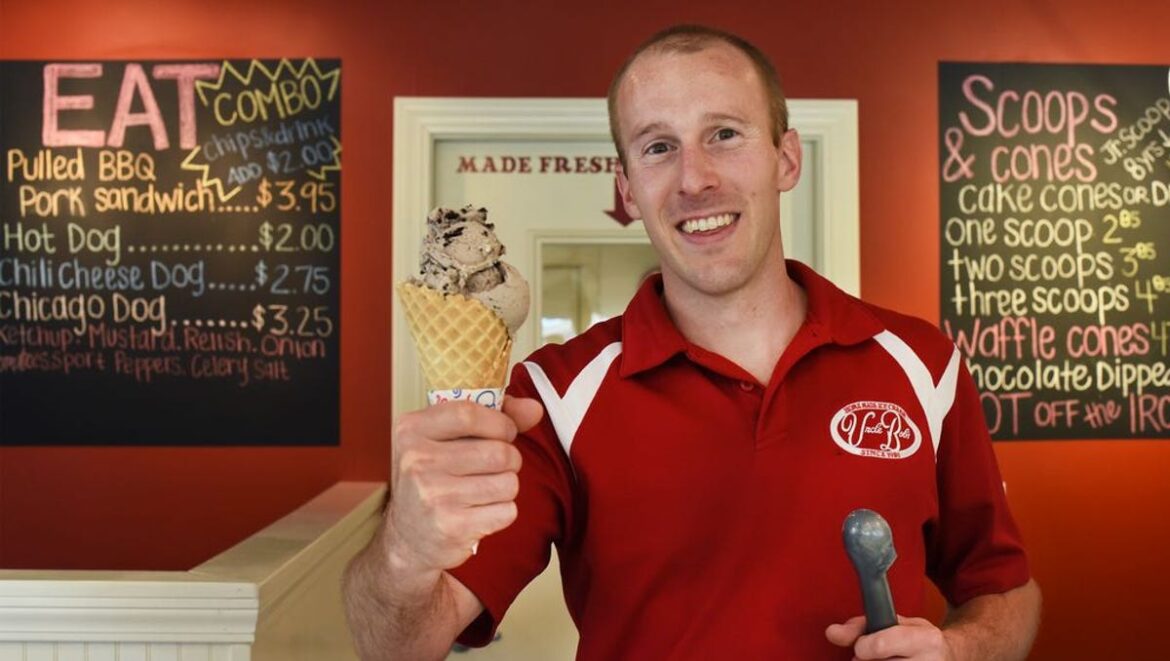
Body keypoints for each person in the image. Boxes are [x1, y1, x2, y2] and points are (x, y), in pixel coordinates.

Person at [344, 24, 1042, 660]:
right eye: (657, 147)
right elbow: (397, 646)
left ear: (786, 159)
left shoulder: (923, 364)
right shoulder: (552, 396)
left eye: (726, 134)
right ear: (627, 188)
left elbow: (1006, 590)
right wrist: (405, 549)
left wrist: (963, 650)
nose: (694, 179)